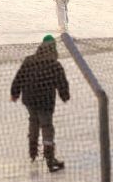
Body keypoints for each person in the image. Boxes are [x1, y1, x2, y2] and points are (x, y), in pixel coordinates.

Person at [10, 35, 69, 172]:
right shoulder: (54, 65)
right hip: (45, 101)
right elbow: (62, 82)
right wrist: (64, 95)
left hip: (30, 99)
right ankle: (50, 158)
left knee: (34, 122)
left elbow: (19, 77)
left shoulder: (29, 61)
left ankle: (33, 152)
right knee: (47, 126)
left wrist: (15, 93)